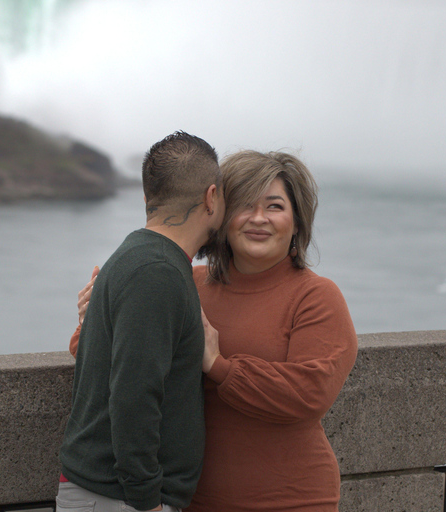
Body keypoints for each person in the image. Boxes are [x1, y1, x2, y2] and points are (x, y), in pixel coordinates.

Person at [70, 150, 358, 512]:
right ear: (219, 213)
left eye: (274, 207)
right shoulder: (186, 283)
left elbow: (310, 393)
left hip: (292, 500)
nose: (258, 219)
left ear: (297, 222)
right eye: (244, 206)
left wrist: (218, 365)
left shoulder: (316, 296)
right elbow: (120, 365)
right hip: (188, 500)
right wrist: (96, 321)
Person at [58, 131, 225, 512]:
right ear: (211, 197)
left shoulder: (142, 256)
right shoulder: (157, 272)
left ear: (147, 197)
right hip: (122, 500)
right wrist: (147, 500)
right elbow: (134, 395)